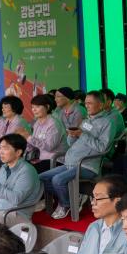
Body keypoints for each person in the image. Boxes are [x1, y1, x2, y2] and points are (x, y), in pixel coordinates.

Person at [43, 91, 113, 219]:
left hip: (87, 165)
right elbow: (72, 144)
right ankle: (72, 199)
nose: (87, 106)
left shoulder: (107, 122)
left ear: (101, 105)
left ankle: (66, 204)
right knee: (42, 178)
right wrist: (72, 135)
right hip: (71, 162)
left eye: (90, 103)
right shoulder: (86, 121)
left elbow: (103, 148)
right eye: (86, 103)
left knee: (57, 180)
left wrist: (82, 135)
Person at [19, 93, 65, 171]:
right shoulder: (37, 123)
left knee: (26, 171)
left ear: (47, 107)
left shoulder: (54, 124)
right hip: (42, 159)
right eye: (33, 107)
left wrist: (29, 137)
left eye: (37, 107)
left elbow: (49, 147)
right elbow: (33, 145)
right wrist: (24, 140)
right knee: (17, 166)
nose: (34, 109)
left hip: (56, 160)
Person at [0, 96, 31, 161]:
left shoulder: (18, 122)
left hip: (19, 155)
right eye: (2, 107)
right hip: (8, 153)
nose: (3, 110)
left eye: (6, 107)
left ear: (14, 107)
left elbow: (6, 141)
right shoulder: (7, 121)